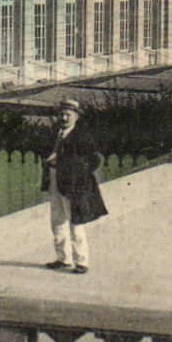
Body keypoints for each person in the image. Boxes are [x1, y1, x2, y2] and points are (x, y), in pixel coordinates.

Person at [42, 99, 108, 274]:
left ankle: (82, 262)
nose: (63, 117)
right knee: (57, 221)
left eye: (68, 115)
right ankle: (63, 259)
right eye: (61, 114)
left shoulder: (82, 136)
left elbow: (94, 160)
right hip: (55, 179)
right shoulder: (56, 133)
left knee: (75, 222)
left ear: (76, 117)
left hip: (73, 184)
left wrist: (66, 165)